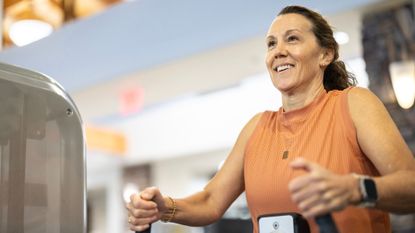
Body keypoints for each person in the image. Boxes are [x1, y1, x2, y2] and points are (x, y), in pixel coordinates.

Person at [126, 5, 415, 233]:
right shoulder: (257, 127)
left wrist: (355, 188)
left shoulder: (354, 103)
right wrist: (164, 208)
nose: (278, 51)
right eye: (271, 43)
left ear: (325, 54)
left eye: (292, 39)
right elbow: (211, 201)